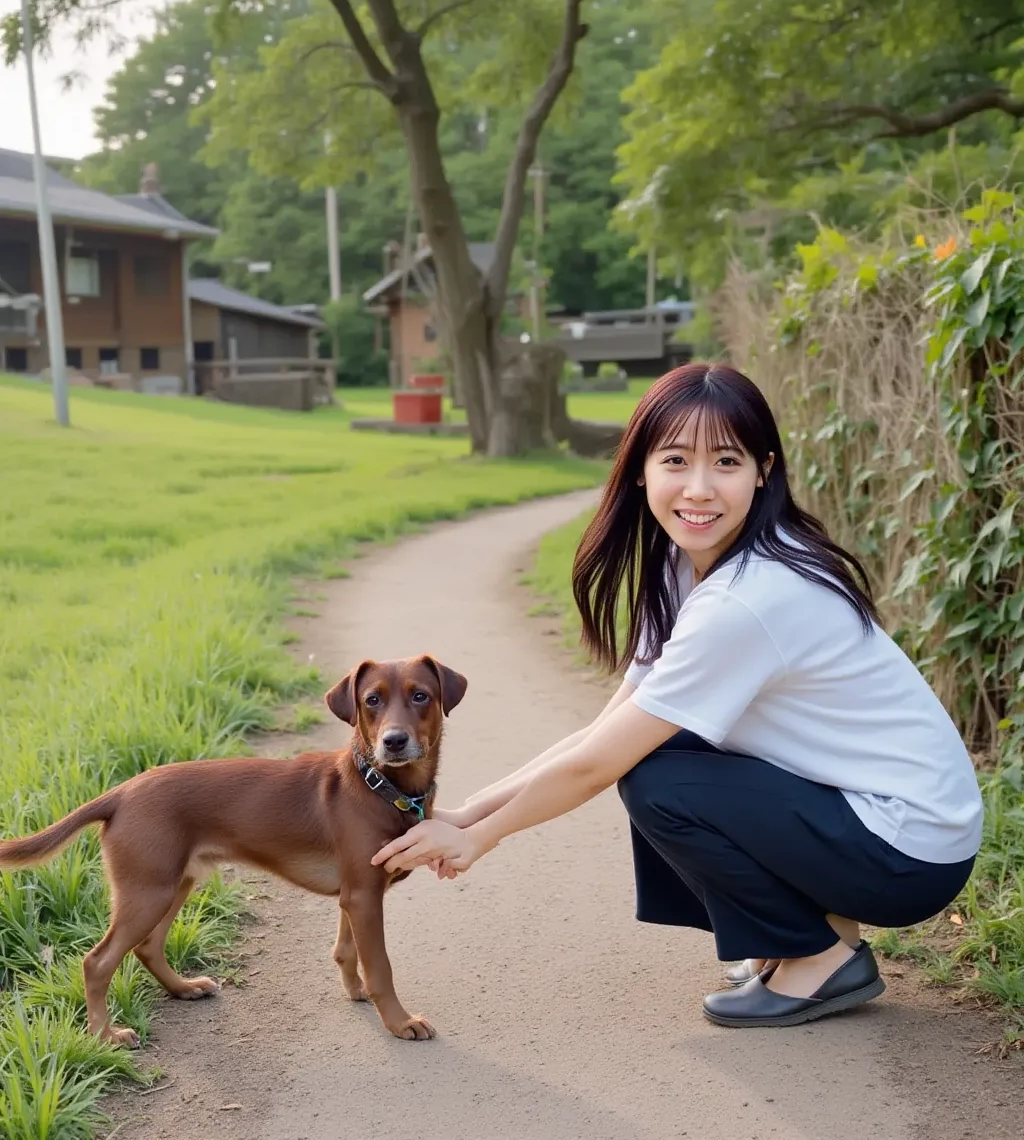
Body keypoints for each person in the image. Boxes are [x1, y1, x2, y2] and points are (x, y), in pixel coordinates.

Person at [373, 364, 982, 1028]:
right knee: (656, 743)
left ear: (763, 471)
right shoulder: (683, 565)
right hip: (875, 819)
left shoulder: (748, 598)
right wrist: (465, 813)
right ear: (640, 469)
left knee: (657, 777)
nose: (698, 488)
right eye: (675, 460)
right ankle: (814, 929)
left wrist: (482, 839)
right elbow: (603, 732)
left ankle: (820, 956)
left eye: (726, 460)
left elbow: (598, 766)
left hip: (907, 852)